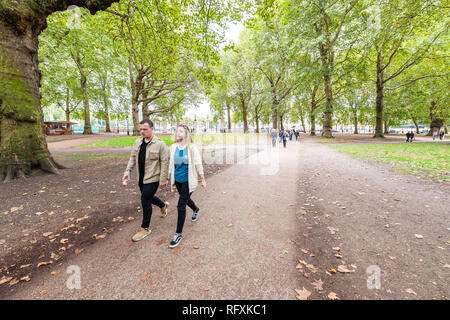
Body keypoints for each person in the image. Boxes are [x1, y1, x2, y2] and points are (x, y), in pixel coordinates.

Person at [122, 119, 170, 242]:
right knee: (147, 197)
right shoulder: (138, 142)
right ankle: (163, 205)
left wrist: (163, 179)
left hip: (153, 177)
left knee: (145, 200)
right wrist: (128, 171)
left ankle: (145, 228)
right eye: (141, 129)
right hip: (141, 177)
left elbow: (164, 162)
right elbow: (133, 157)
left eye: (145, 129)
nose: (142, 132)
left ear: (152, 129)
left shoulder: (160, 144)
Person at [167, 124, 206, 248]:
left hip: (188, 180)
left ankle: (178, 234)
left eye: (181, 131)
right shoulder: (173, 147)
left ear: (186, 134)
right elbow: (171, 162)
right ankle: (196, 209)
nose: (179, 133)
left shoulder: (192, 148)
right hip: (177, 180)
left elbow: (198, 164)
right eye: (177, 131)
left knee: (180, 205)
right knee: (186, 199)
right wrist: (169, 175)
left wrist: (203, 179)